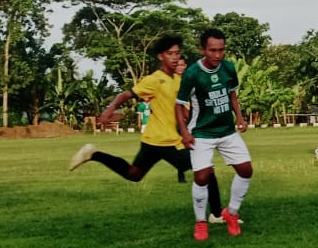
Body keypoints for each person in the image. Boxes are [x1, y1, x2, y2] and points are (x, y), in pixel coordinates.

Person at [70, 34, 224, 219]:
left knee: (134, 174)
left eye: (177, 53)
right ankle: (217, 215)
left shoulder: (178, 79)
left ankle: (94, 154)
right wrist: (110, 108)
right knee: (206, 170)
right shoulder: (154, 80)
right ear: (160, 56)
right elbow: (127, 94)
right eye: (170, 53)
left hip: (152, 140)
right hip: (167, 141)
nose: (175, 57)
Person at [176, 28, 252, 240]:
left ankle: (231, 213)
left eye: (221, 50)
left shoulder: (228, 68)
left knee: (246, 170)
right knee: (201, 176)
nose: (218, 55)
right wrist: (184, 132)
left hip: (227, 131)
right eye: (213, 51)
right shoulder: (192, 73)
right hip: (201, 132)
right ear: (203, 50)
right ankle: (201, 222)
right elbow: (179, 103)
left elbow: (232, 95)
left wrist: (239, 117)